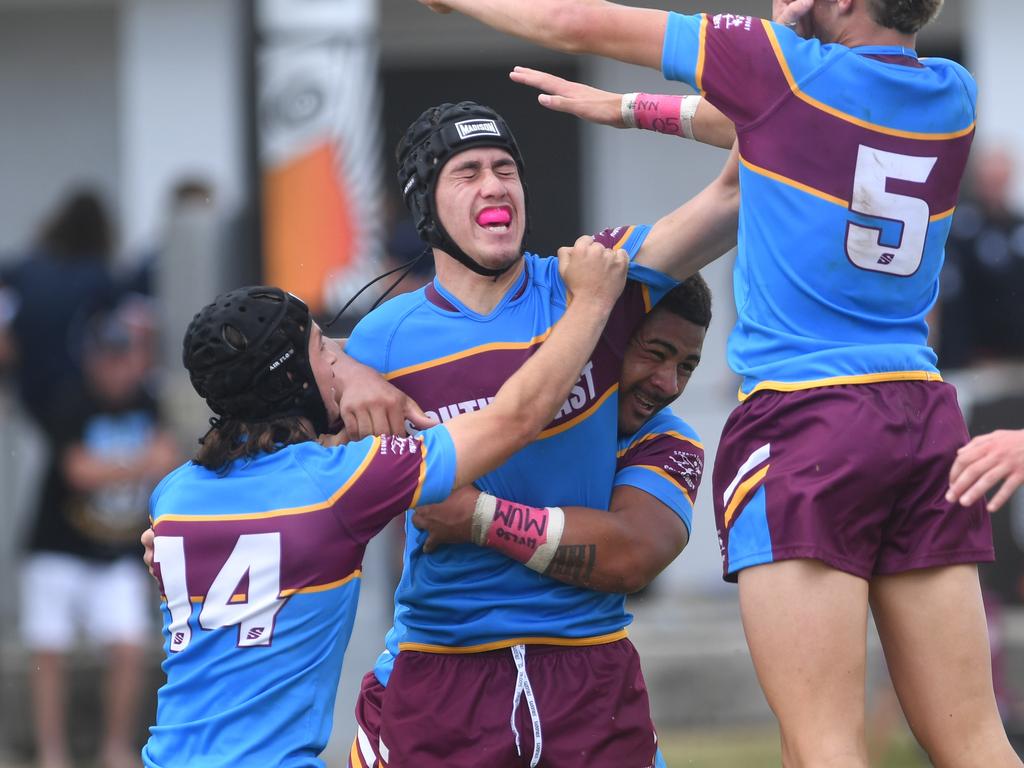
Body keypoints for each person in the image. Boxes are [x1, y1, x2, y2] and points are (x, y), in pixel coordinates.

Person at [413, 1, 1019, 766]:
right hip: (925, 417)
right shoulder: (952, 93)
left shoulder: (780, 64)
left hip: (808, 421)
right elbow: (777, 130)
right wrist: (632, 109)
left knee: (823, 744)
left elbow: (575, 19)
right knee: (974, 740)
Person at [332, 97, 737, 768]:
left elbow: (742, 181)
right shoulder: (382, 338)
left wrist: (633, 108)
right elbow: (276, 429)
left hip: (588, 669)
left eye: (505, 168)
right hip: (442, 666)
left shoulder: (595, 283)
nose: (494, 184)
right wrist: (191, 524)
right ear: (426, 205)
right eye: (467, 172)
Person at [141, 242, 629, 768]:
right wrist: (593, 304)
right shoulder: (341, 486)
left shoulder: (173, 496)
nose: (340, 362)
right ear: (292, 381)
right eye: (323, 352)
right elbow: (512, 420)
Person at [346, 274, 712, 768]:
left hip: (588, 680)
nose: (668, 383)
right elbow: (311, 354)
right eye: (655, 352)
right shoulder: (502, 404)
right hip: (438, 671)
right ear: (601, 339)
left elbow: (632, 555)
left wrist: (479, 517)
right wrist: (352, 375)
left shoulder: (670, 442)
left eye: (686, 365)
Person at [20, 301, 180, 768]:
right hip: (58, 549)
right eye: (107, 357)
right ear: (93, 358)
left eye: (122, 356)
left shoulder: (147, 399)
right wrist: (136, 463)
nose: (115, 368)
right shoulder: (70, 398)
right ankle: (53, 751)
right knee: (48, 649)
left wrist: (112, 468)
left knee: (129, 643)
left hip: (116, 552)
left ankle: (115, 748)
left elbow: (168, 459)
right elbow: (78, 472)